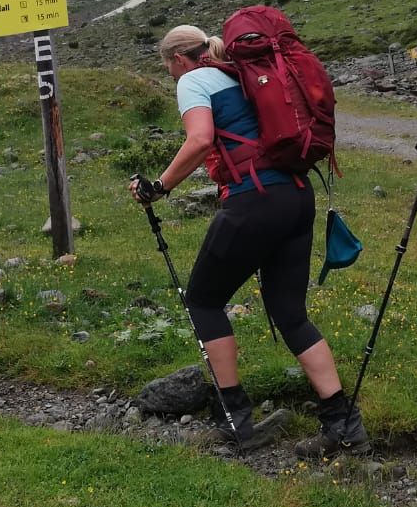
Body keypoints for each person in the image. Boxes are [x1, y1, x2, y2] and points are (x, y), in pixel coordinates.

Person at [130, 24, 369, 457]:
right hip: (296, 196)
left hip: (253, 200)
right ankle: (344, 425)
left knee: (202, 301)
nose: (172, 76)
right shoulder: (239, 73)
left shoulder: (193, 79)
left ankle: (236, 420)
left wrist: (159, 187)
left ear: (178, 60)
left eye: (168, 68)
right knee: (290, 313)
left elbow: (201, 139)